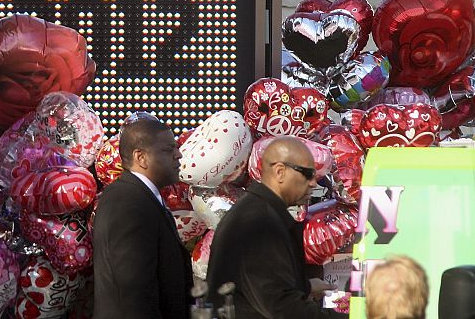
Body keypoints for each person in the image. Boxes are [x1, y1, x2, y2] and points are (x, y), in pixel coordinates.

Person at [205, 136, 347, 318]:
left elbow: (261, 285)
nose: (313, 183)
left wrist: (305, 286)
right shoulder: (260, 221)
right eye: (308, 174)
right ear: (280, 172)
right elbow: (282, 306)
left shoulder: (255, 211)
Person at [93, 118, 192, 318]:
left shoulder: (141, 197)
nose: (178, 154)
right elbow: (133, 290)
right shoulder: (127, 202)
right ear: (141, 157)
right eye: (168, 149)